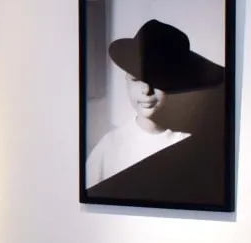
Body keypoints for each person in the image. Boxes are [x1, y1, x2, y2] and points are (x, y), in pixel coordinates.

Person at [85, 19, 226, 193]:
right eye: (136, 79)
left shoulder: (191, 144)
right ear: (126, 80)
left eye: (157, 80)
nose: (146, 90)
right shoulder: (109, 147)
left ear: (176, 85)